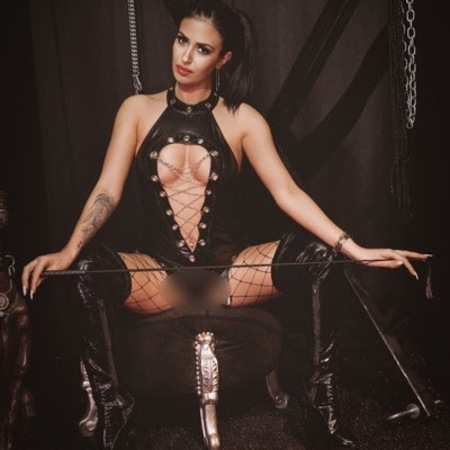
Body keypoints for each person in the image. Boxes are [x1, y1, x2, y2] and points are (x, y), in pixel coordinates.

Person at [22, 1, 429, 449]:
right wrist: (68, 248)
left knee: (317, 255)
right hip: (159, 276)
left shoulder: (243, 119)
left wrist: (355, 249)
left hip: (231, 274)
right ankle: (115, 417)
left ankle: (322, 412)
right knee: (85, 268)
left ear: (223, 59)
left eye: (202, 49)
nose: (185, 57)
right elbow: (107, 191)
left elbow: (288, 192)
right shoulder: (136, 110)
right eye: (182, 40)